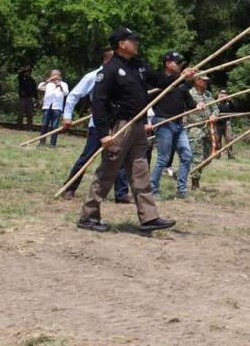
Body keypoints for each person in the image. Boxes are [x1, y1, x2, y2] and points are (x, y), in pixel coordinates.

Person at [77, 27, 177, 233]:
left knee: (140, 171)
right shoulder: (110, 69)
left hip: (139, 125)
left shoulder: (138, 66)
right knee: (108, 171)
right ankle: (89, 216)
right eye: (133, 40)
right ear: (121, 44)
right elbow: (98, 102)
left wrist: (181, 76)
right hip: (120, 127)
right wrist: (104, 133)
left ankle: (149, 217)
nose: (137, 43)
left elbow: (160, 81)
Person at [60, 48, 131, 202]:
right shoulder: (93, 76)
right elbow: (73, 95)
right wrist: (67, 116)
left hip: (117, 124)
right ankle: (69, 187)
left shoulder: (122, 78)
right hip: (98, 125)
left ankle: (121, 193)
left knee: (118, 158)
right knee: (87, 157)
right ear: (107, 61)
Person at [148, 52, 196, 198]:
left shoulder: (181, 83)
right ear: (168, 63)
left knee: (187, 155)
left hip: (178, 124)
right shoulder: (160, 79)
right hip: (163, 122)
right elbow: (148, 99)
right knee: (163, 158)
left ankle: (181, 190)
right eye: (177, 62)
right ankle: (153, 189)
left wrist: (197, 105)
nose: (181, 65)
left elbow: (189, 102)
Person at [186, 73, 217, 189]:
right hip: (195, 129)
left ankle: (181, 172)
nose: (206, 83)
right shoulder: (189, 94)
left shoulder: (208, 94)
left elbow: (215, 108)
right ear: (197, 81)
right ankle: (195, 183)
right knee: (197, 157)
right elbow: (184, 110)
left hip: (208, 129)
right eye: (204, 80)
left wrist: (214, 115)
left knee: (208, 158)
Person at [37, 69, 69, 147]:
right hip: (47, 106)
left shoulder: (63, 84)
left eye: (57, 74)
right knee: (44, 125)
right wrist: (49, 80)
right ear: (51, 75)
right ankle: (42, 142)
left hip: (57, 108)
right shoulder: (48, 84)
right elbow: (39, 87)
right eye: (54, 74)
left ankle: (52, 143)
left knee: (54, 126)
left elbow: (66, 93)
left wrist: (60, 86)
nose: (56, 76)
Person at [214, 90, 237, 160]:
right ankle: (217, 155)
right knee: (217, 140)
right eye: (222, 93)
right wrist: (218, 100)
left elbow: (234, 109)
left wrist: (230, 101)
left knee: (229, 139)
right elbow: (213, 109)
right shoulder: (216, 102)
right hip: (218, 123)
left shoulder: (229, 103)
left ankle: (230, 155)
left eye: (225, 94)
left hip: (227, 122)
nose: (223, 95)